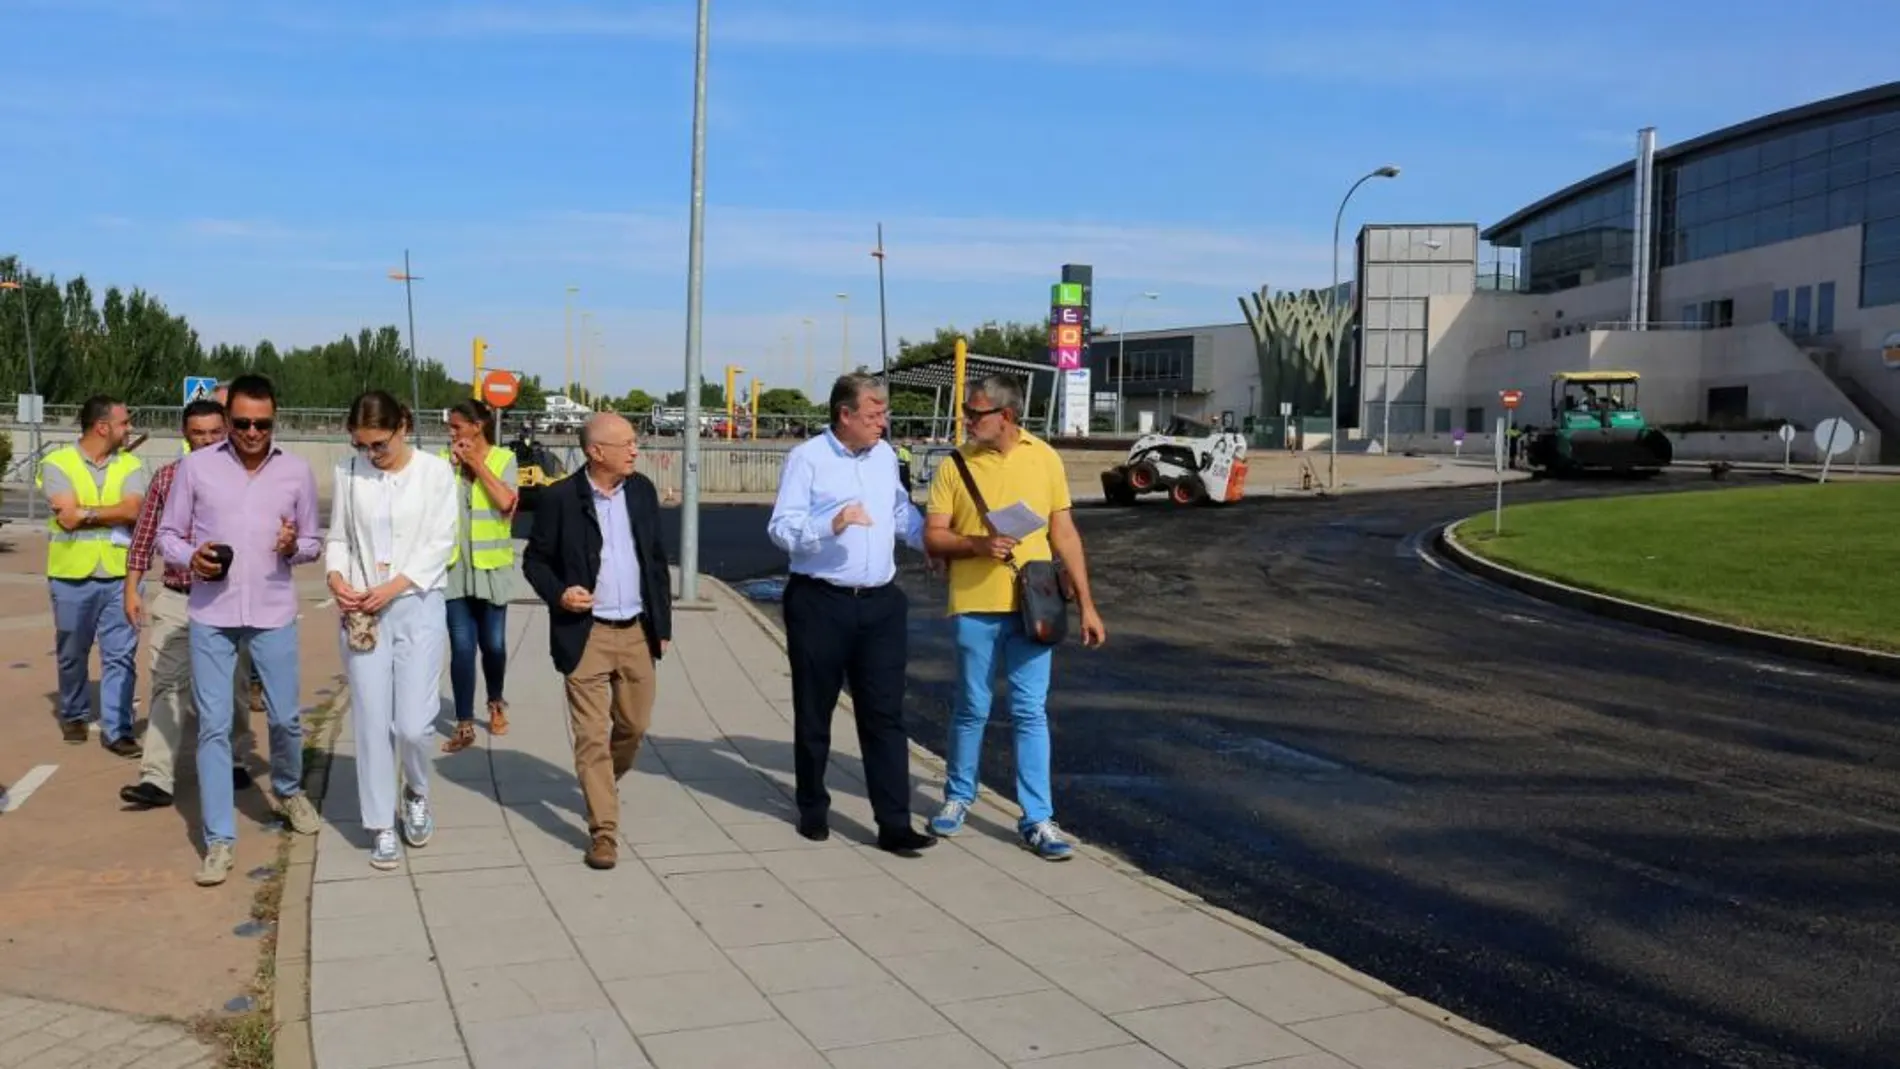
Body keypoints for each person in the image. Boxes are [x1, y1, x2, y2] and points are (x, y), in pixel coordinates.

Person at [923, 374, 1107, 861]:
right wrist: (976, 545)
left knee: (1030, 712)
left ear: (1005, 416)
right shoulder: (954, 465)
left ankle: (1038, 819)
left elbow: (1064, 534)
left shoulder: (1044, 457)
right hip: (975, 604)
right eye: (966, 411)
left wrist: (1087, 603)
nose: (967, 419)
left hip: (1035, 606)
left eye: (975, 413)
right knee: (972, 708)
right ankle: (959, 797)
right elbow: (933, 537)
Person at [157, 374, 324, 886]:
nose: (253, 432)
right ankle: (219, 840)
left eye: (264, 423)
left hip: (272, 612)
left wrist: (294, 544)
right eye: (244, 422)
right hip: (212, 613)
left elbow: (315, 541)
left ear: (276, 420)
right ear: (228, 420)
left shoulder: (296, 472)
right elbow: (168, 534)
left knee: (285, 718)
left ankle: (290, 791)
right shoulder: (196, 467)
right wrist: (193, 557)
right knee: (211, 726)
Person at [766, 374, 935, 856]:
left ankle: (894, 823)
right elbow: (781, 527)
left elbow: (900, 514)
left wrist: (931, 541)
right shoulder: (808, 459)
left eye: (884, 414)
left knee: (884, 714)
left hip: (880, 603)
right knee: (815, 709)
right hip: (820, 602)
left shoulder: (885, 457)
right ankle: (813, 808)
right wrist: (830, 523)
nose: (883, 422)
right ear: (845, 415)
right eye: (873, 414)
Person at [522, 413, 672, 871]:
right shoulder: (560, 499)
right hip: (585, 634)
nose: (634, 450)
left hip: (636, 631)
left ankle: (604, 780)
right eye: (625, 443)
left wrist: (662, 626)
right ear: (595, 452)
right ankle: (603, 832)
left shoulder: (642, 491)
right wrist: (560, 593)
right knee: (591, 737)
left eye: (634, 441)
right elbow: (535, 562)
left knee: (634, 726)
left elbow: (655, 561)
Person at [327, 391, 459, 870]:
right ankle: (380, 824)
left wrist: (396, 586)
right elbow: (339, 536)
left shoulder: (435, 472)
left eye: (378, 444)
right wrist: (336, 577)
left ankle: (417, 789)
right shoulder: (348, 472)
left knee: (413, 725)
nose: (371, 454)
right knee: (370, 721)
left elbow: (441, 542)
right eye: (362, 445)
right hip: (363, 612)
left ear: (402, 427)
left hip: (416, 604)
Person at [121, 399, 260, 808]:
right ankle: (156, 777)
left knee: (232, 686)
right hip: (179, 598)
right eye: (199, 433)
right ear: (186, 436)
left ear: (229, 432)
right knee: (167, 683)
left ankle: (234, 758)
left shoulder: (248, 479)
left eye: (215, 432)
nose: (207, 440)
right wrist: (132, 589)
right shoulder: (167, 479)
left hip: (231, 600)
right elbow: (144, 538)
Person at [43, 395, 148, 752]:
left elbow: (134, 510)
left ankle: (118, 729)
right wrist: (109, 511)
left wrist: (86, 513)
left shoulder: (131, 464)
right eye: (124, 422)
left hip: (121, 576)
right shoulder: (56, 462)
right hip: (71, 575)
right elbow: (65, 516)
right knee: (73, 651)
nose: (129, 428)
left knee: (121, 654)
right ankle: (74, 711)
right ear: (102, 427)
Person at [440, 399, 520, 752]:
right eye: (450, 427)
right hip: (456, 569)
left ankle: (496, 701)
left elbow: (505, 502)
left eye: (457, 426)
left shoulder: (504, 459)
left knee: (494, 645)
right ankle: (463, 723)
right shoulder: (445, 464)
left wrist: (476, 464)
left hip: (492, 569)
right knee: (460, 648)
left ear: (477, 426)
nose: (451, 432)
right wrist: (453, 468)